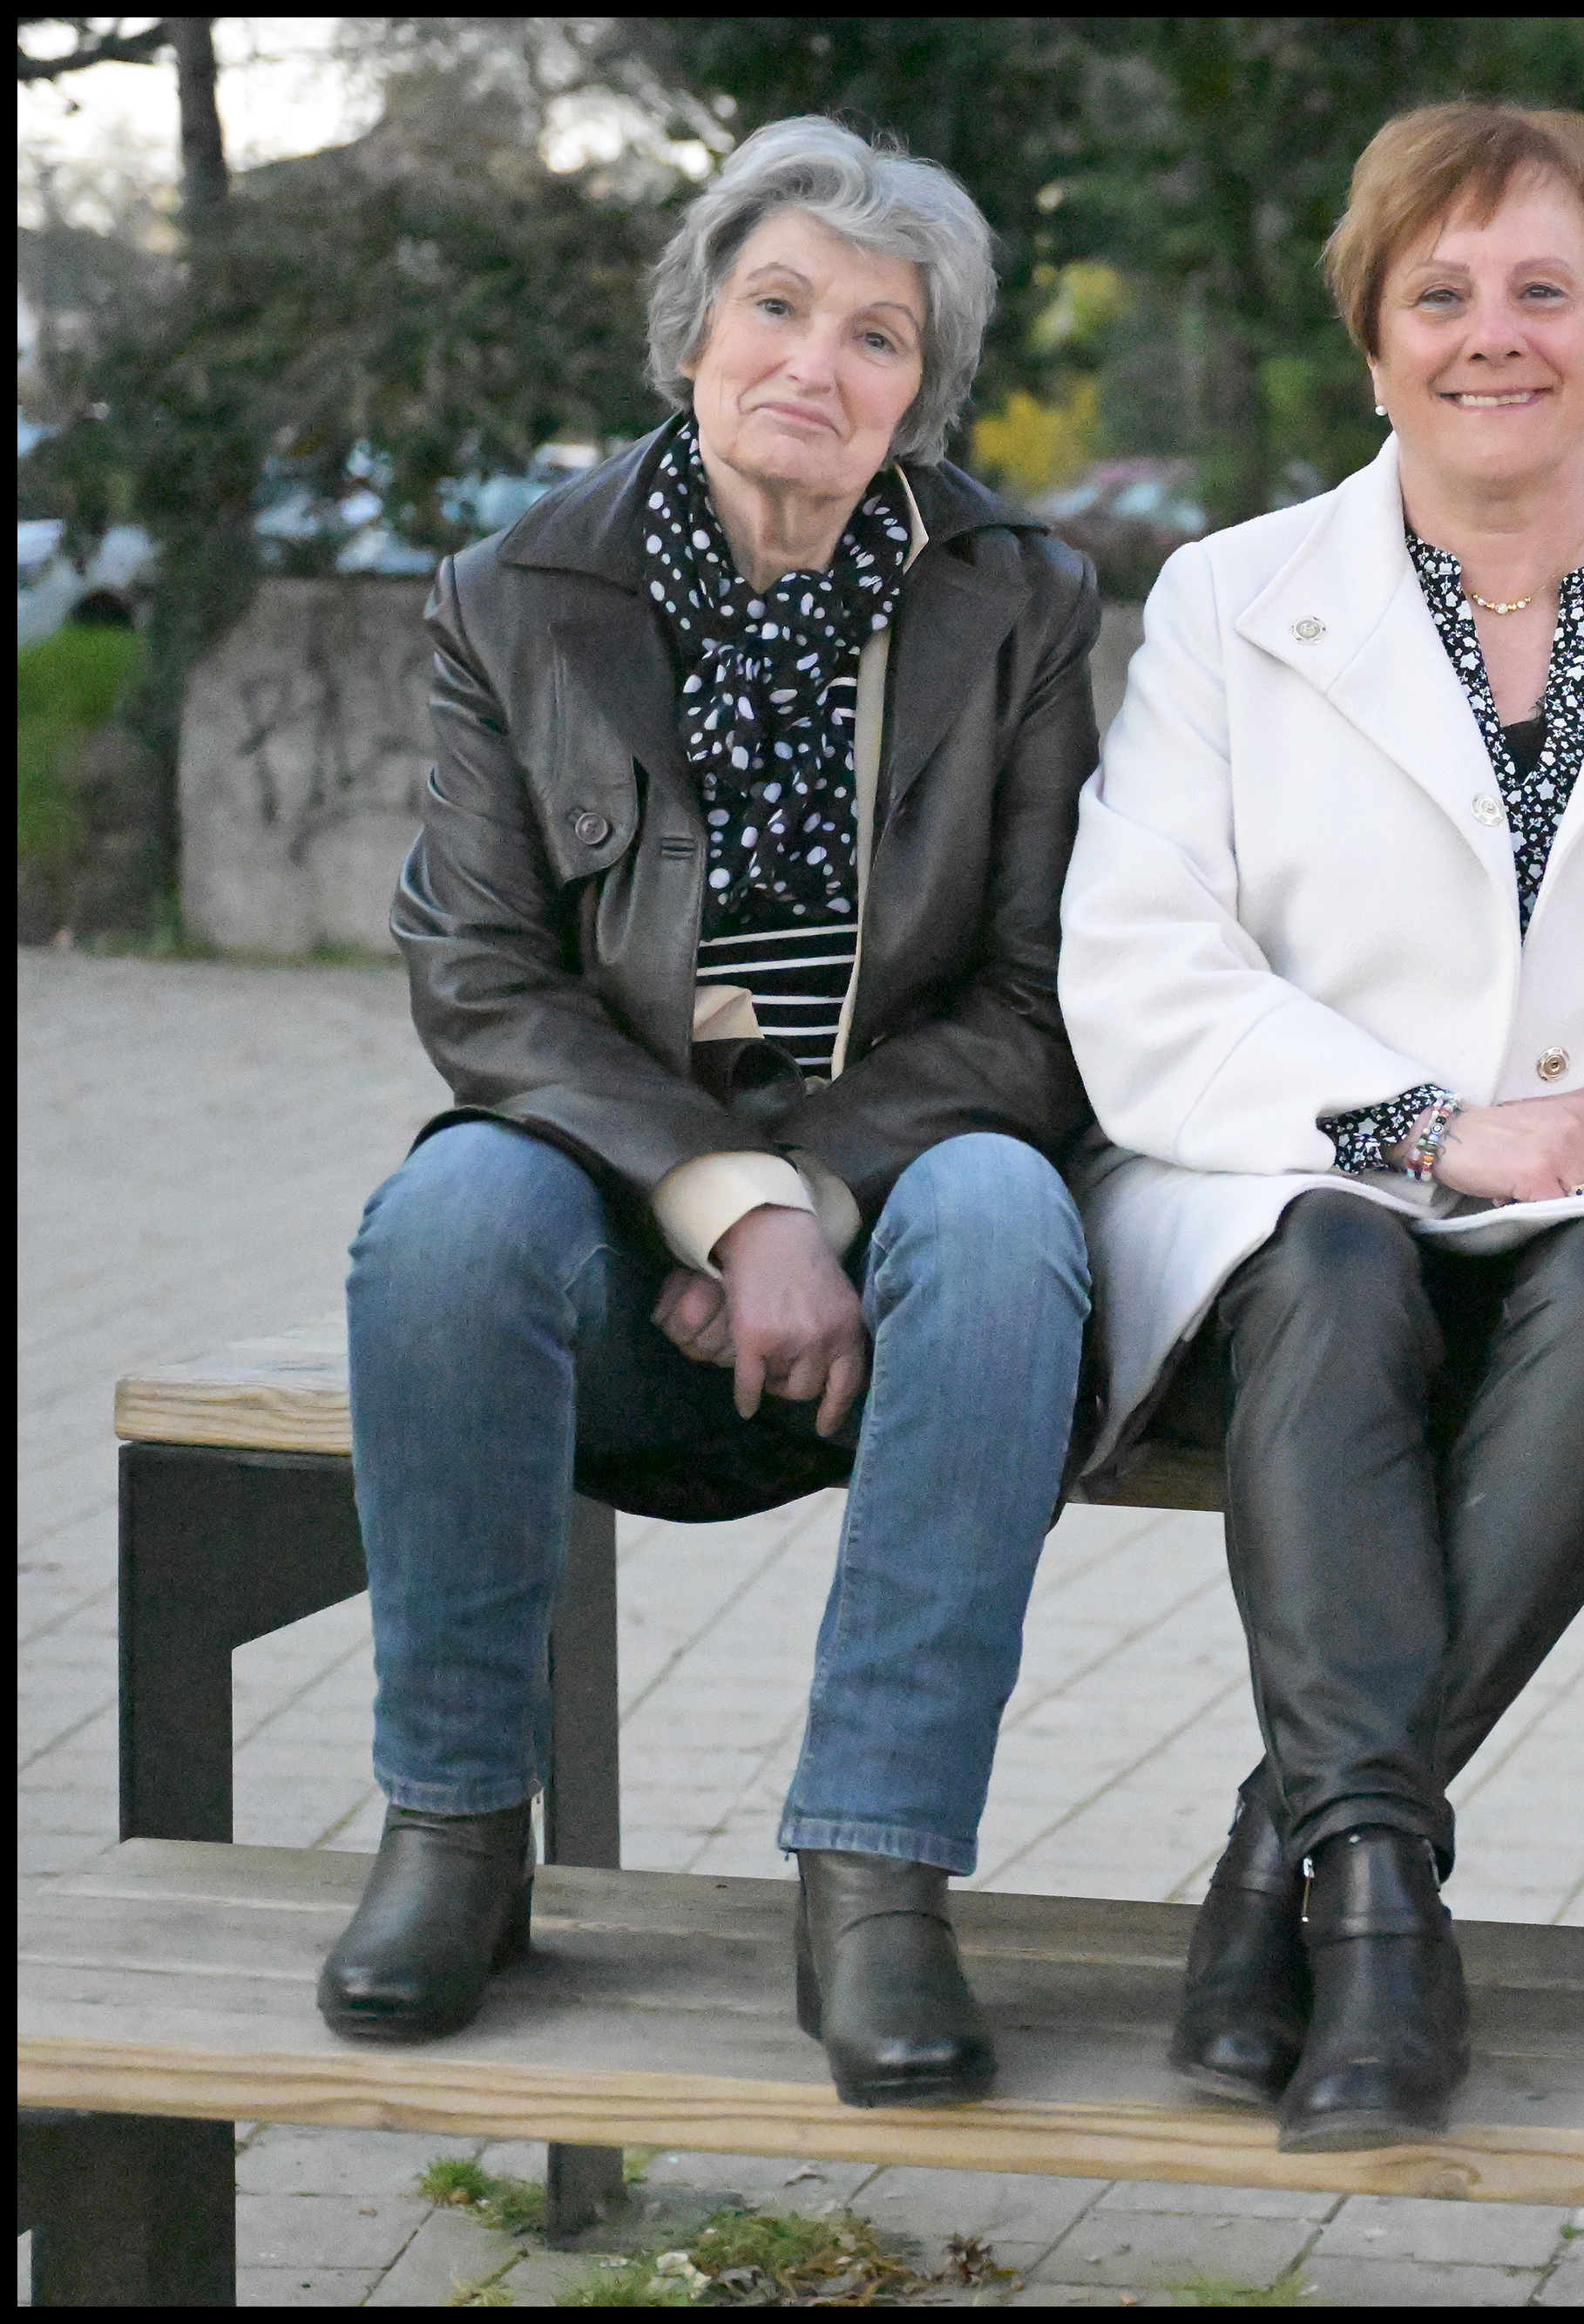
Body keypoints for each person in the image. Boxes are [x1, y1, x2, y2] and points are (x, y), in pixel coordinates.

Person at [1059, 102, 1584, 2152]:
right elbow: (1138, 961)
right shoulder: (1230, 603)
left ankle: (1288, 1854)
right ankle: (1386, 1915)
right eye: (1439, 293)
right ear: (1371, 334)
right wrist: (1417, 1123)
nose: (1492, 334)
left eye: (1540, 289)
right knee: (1330, 1252)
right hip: (1283, 1178)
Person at [319, 118, 1101, 2111]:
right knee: (444, 1220)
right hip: (615, 1215)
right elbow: (478, 978)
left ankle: (876, 1874)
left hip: (911, 1218)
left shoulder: (1016, 600)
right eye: (777, 307)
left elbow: (1036, 1002)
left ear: (923, 395)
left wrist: (818, 1194)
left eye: (877, 338)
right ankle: (453, 1830)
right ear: (692, 328)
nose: (814, 369)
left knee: (1014, 1212)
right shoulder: (516, 594)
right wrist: (727, 1201)